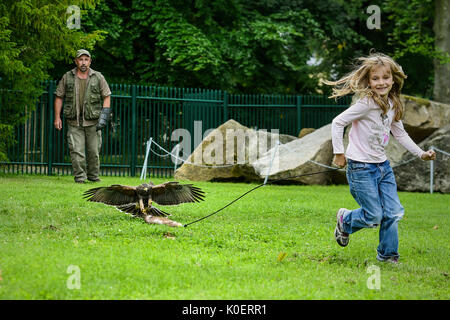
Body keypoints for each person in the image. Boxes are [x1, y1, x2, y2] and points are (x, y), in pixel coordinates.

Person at [323, 52, 436, 263]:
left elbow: (399, 133)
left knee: (392, 213)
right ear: (368, 81)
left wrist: (421, 154)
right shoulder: (366, 104)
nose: (381, 82)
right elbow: (338, 122)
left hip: (383, 167)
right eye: (376, 78)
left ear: (393, 79)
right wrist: (339, 153)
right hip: (360, 168)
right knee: (373, 215)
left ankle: (388, 255)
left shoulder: (392, 104)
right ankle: (345, 220)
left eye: (385, 78)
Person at [54, 49, 112, 183]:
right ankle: (80, 177)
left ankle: (93, 177)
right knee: (77, 152)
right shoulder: (67, 77)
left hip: (93, 122)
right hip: (74, 122)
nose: (83, 62)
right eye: (81, 59)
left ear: (90, 61)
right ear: (76, 61)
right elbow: (59, 97)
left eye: (86, 59)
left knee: (94, 153)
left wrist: (104, 116)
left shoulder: (98, 77)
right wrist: (57, 117)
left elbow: (107, 96)